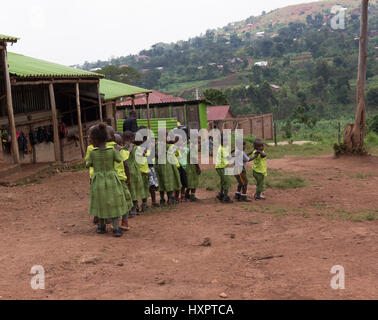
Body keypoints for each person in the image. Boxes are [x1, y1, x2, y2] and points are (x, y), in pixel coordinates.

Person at [86, 123, 128, 237]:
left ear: (94, 139)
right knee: (114, 202)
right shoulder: (112, 150)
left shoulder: (93, 153)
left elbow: (88, 164)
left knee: (101, 202)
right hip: (112, 179)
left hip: (98, 180)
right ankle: (116, 228)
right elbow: (119, 160)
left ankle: (101, 226)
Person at [122, 131, 146, 216]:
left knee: (129, 191)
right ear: (132, 139)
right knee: (135, 190)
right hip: (134, 171)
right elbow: (143, 154)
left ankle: (129, 209)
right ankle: (134, 209)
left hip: (125, 171)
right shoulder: (134, 148)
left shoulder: (121, 148)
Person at [114, 133, 133, 231]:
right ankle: (124, 222)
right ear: (120, 143)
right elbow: (126, 165)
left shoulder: (108, 151)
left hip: (111, 180)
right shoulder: (121, 151)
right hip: (121, 179)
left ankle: (114, 222)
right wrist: (128, 179)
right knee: (126, 200)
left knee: (114, 201)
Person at [135, 126, 151, 212]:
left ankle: (142, 204)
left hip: (144, 171)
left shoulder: (138, 148)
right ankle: (138, 205)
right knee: (142, 188)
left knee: (143, 188)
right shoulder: (137, 148)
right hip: (141, 171)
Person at [215, 133, 233, 204]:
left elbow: (228, 154)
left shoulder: (226, 147)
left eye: (226, 140)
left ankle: (221, 194)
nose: (225, 142)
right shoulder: (221, 148)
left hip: (223, 166)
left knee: (223, 181)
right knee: (226, 182)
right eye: (223, 141)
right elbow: (228, 157)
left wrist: (232, 152)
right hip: (220, 167)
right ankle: (225, 198)